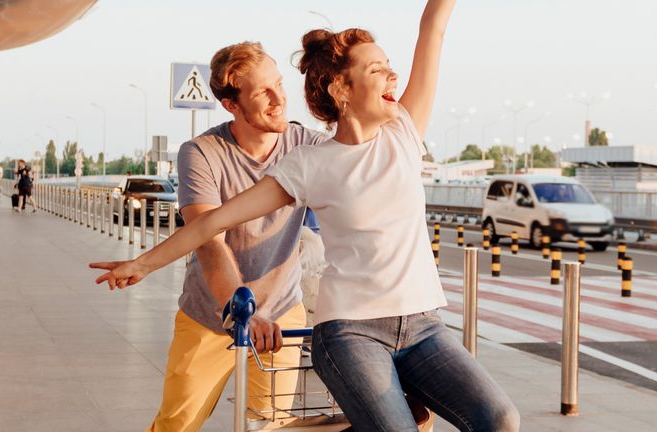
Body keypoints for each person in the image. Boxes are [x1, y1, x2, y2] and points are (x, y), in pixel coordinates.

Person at [92, 1, 518, 430]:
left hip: (422, 324)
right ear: (341, 90)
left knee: (500, 419)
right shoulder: (308, 162)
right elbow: (212, 226)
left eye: (389, 66)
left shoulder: (403, 132)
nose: (393, 75)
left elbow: (434, 28)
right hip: (348, 330)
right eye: (376, 70)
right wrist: (141, 264)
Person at [109, 41, 328, 432]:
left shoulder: (306, 146)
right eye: (262, 91)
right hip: (211, 316)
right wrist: (242, 310)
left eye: (279, 84)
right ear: (231, 104)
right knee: (178, 424)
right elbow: (209, 241)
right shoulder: (203, 152)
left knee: (271, 424)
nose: (279, 99)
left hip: (280, 314)